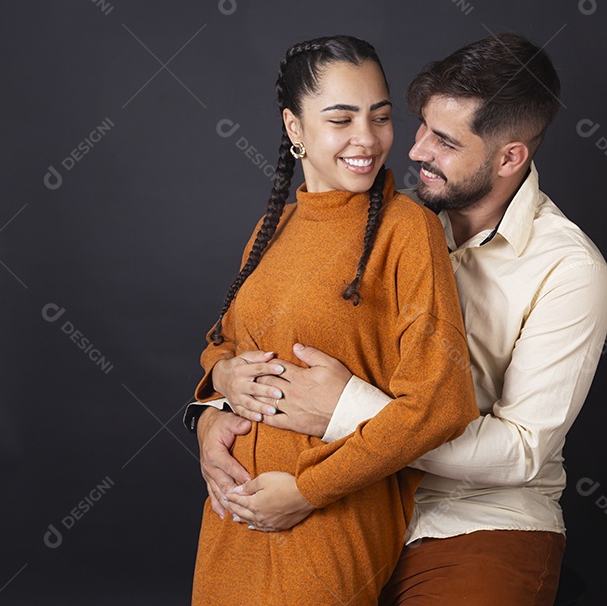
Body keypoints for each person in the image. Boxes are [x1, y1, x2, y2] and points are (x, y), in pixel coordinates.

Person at [195, 33, 607, 605]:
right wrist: (214, 402)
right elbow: (261, 335)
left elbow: (519, 451)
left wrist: (344, 410)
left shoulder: (569, 269)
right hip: (360, 500)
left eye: (443, 140)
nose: (414, 151)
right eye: (419, 127)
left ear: (509, 156)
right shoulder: (385, 215)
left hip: (473, 521)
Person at [189, 35, 479, 605]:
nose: (367, 140)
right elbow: (221, 345)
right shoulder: (274, 227)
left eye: (381, 117)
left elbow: (442, 404)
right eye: (341, 119)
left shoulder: (407, 230)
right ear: (294, 128)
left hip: (326, 521)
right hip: (231, 521)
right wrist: (214, 395)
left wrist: (307, 491)